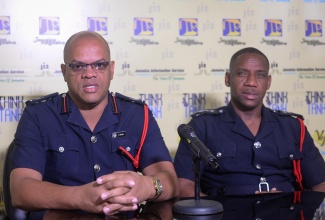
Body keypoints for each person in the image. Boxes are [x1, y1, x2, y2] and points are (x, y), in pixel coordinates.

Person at [10, 31, 178, 218]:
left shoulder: (138, 114)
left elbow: (169, 181)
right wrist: (80, 196)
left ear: (111, 69)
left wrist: (147, 186)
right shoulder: (38, 115)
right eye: (78, 66)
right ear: (65, 72)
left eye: (99, 65)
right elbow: (21, 190)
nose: (89, 74)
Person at [173, 47, 325, 197]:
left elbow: (320, 183)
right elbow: (183, 185)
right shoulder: (202, 125)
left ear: (268, 82)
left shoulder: (293, 127)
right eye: (242, 73)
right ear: (227, 78)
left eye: (260, 75)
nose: (251, 82)